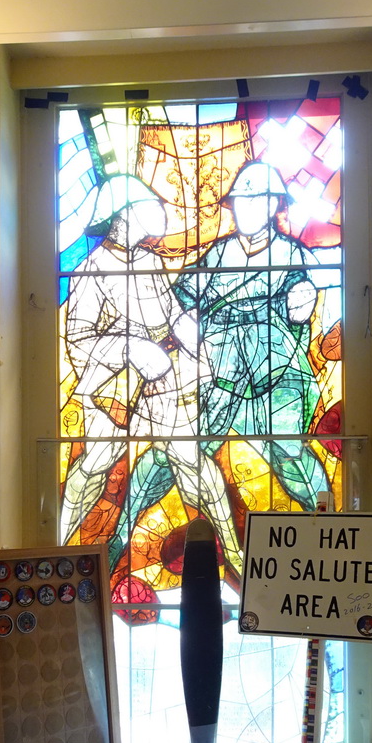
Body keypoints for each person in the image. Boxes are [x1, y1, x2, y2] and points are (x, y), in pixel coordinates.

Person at [60, 175, 243, 573]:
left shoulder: (151, 261)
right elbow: (78, 340)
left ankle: (236, 554)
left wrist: (189, 333)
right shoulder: (91, 270)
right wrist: (127, 348)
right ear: (121, 214)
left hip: (162, 380)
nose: (158, 213)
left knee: (193, 460)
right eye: (147, 206)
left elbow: (168, 311)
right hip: (114, 385)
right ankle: (56, 546)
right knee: (96, 462)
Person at [173, 160, 329, 510]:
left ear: (274, 204)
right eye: (240, 202)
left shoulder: (292, 254)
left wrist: (300, 302)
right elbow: (183, 294)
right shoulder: (219, 253)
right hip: (219, 371)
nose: (245, 209)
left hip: (275, 370)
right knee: (176, 450)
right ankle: (118, 535)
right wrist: (184, 319)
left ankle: (328, 522)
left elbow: (301, 301)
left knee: (289, 452)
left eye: (256, 200)